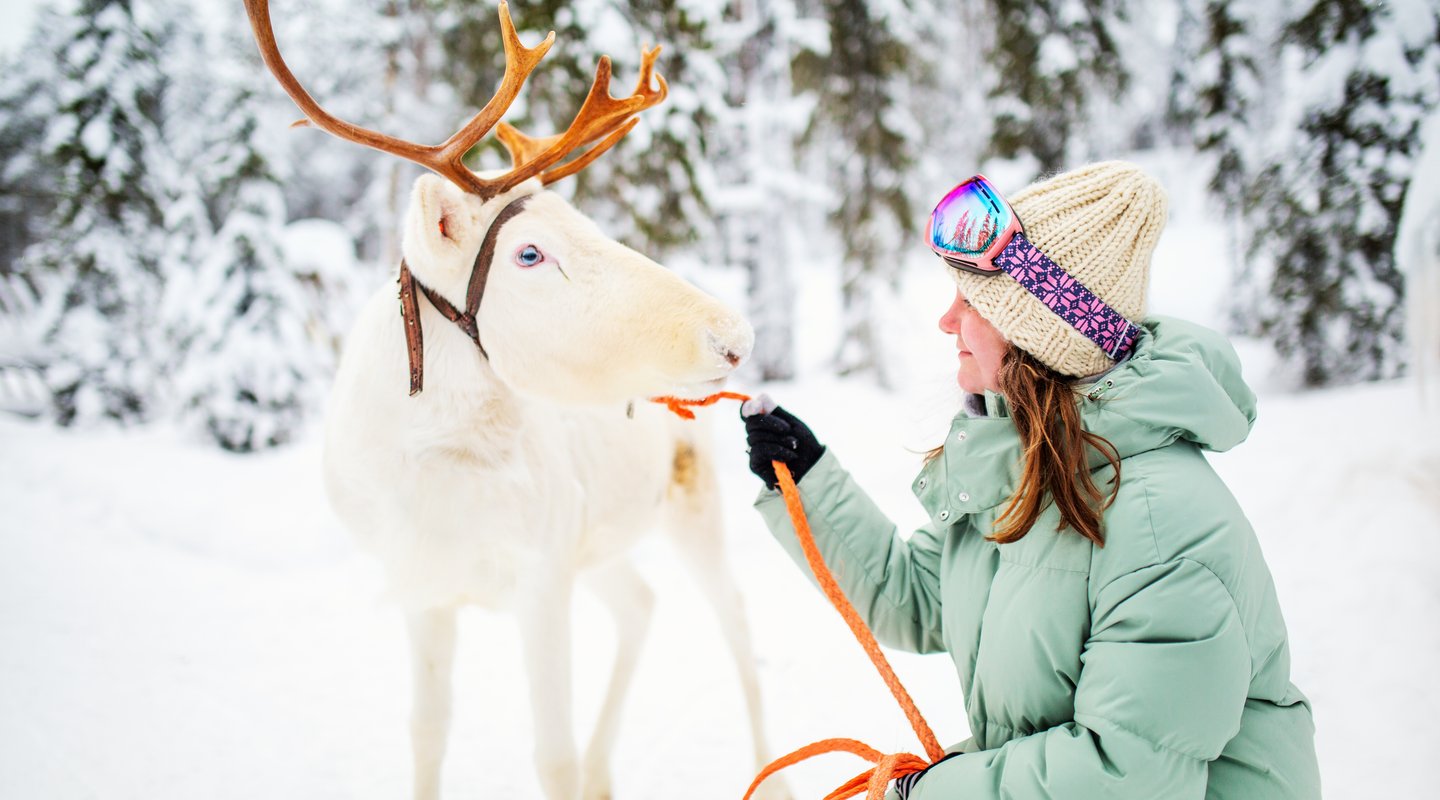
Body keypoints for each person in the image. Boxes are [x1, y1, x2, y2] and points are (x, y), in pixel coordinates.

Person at [741, 162, 1322, 799]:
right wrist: (808, 480)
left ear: (1041, 334)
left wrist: (932, 793)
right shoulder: (1020, 470)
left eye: (973, 301)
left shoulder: (1162, 527)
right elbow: (915, 599)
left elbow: (1125, 775)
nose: (947, 320)